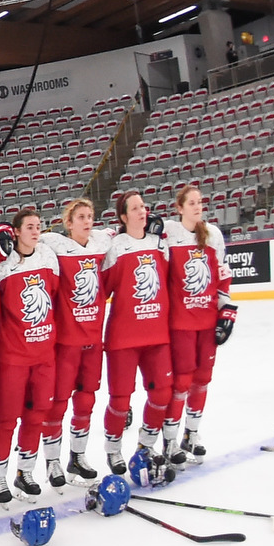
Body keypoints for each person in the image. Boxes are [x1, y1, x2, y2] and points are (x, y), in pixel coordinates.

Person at [0, 210, 60, 500]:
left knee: (36, 415)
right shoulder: (1, 264)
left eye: (38, 226)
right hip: (11, 356)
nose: (35, 231)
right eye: (29, 226)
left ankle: (25, 472)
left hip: (44, 355)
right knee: (6, 419)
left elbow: (54, 293)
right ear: (15, 232)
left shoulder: (47, 256)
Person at [101, 190, 172, 476]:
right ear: (123, 216)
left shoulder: (159, 243)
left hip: (157, 334)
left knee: (162, 393)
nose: (142, 211)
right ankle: (113, 448)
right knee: (120, 399)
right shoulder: (116, 246)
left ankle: (146, 445)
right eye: (135, 208)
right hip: (124, 337)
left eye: (143, 206)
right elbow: (103, 288)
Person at [163, 183, 231, 465]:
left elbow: (222, 275)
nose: (197, 207)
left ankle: (191, 434)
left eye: (200, 202)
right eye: (191, 203)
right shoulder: (169, 233)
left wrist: (226, 312)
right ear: (179, 208)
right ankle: (169, 441)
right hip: (181, 323)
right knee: (181, 381)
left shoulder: (212, 234)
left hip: (207, 321)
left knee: (203, 379)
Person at [42, 198, 108, 484]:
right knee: (58, 402)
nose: (87, 221)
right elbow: (29, 240)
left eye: (90, 215)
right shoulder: (54, 245)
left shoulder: (102, 243)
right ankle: (52, 462)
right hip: (66, 341)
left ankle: (77, 457)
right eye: (81, 217)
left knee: (86, 399)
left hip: (93, 339)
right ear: (68, 223)